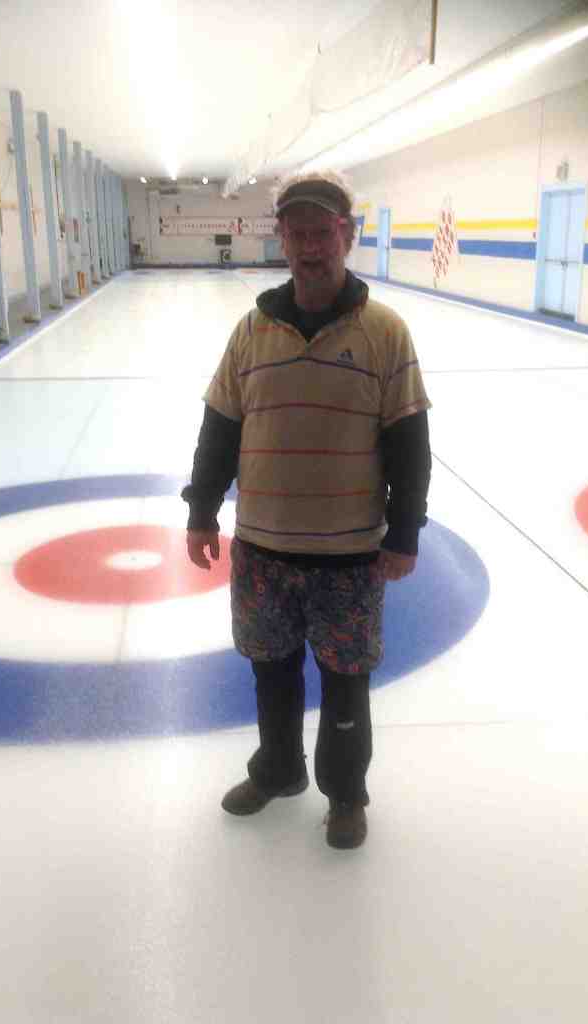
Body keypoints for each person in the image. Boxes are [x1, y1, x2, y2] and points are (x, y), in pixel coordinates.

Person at [182, 169, 431, 849]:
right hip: (262, 547)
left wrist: (404, 530)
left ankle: (345, 796)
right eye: (297, 233)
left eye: (322, 232)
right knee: (270, 671)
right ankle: (277, 771)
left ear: (346, 236)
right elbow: (220, 426)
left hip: (349, 554)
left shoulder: (384, 331)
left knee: (346, 683)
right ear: (282, 240)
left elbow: (409, 442)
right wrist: (202, 508)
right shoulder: (251, 330)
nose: (310, 246)